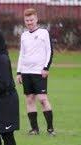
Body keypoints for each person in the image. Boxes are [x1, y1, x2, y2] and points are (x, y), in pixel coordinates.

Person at [16, 8, 55, 136]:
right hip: (26, 72)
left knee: (43, 99)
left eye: (31, 20)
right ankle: (34, 129)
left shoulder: (44, 33)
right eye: (27, 20)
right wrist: (19, 72)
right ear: (24, 21)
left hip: (39, 72)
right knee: (30, 99)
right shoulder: (24, 35)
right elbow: (22, 54)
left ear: (36, 19)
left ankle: (50, 129)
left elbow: (49, 51)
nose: (29, 22)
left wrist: (46, 68)